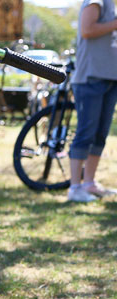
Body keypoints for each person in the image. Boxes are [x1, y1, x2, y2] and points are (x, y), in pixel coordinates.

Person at [68, 0, 117, 202]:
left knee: (100, 135)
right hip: (91, 77)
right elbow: (87, 30)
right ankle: (74, 187)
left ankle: (89, 183)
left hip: (109, 77)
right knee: (85, 133)